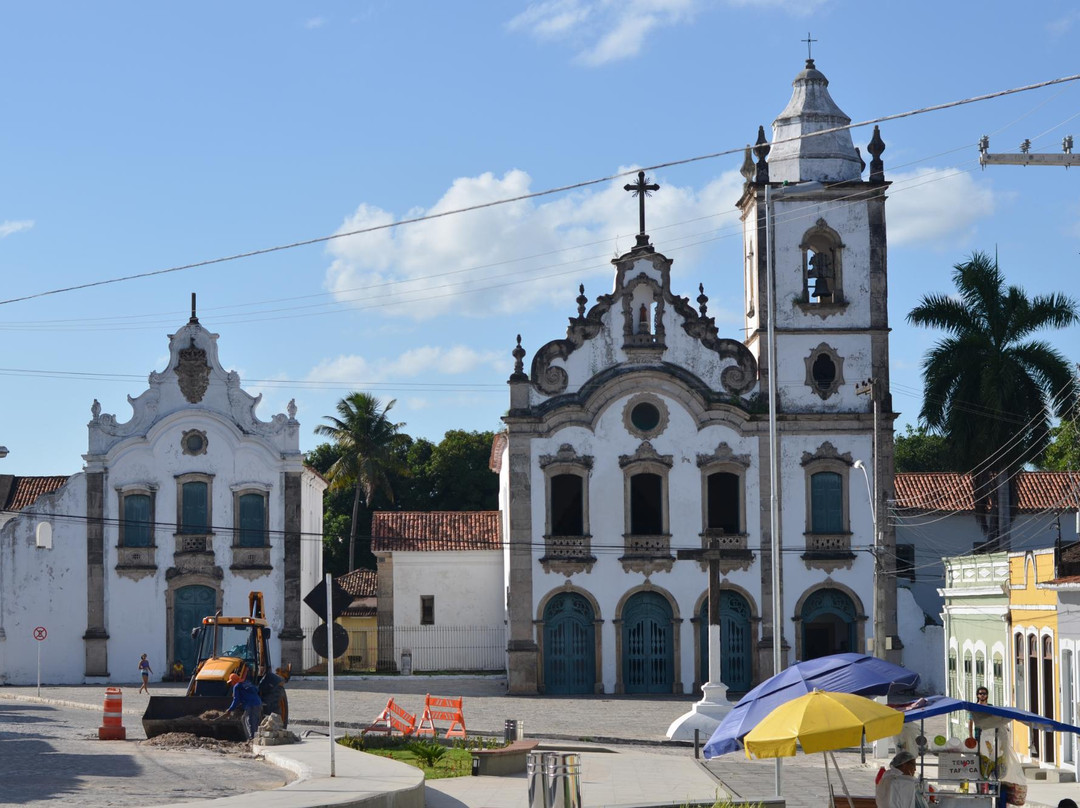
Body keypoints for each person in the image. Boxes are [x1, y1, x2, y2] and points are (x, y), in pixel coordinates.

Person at [222, 672, 262, 740]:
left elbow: (236, 700)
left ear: (233, 681)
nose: (231, 684)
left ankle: (252, 739)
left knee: (249, 721)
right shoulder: (247, 683)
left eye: (231, 682)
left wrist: (229, 710)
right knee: (249, 720)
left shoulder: (237, 686)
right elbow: (256, 690)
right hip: (258, 703)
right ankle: (253, 738)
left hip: (251, 705)